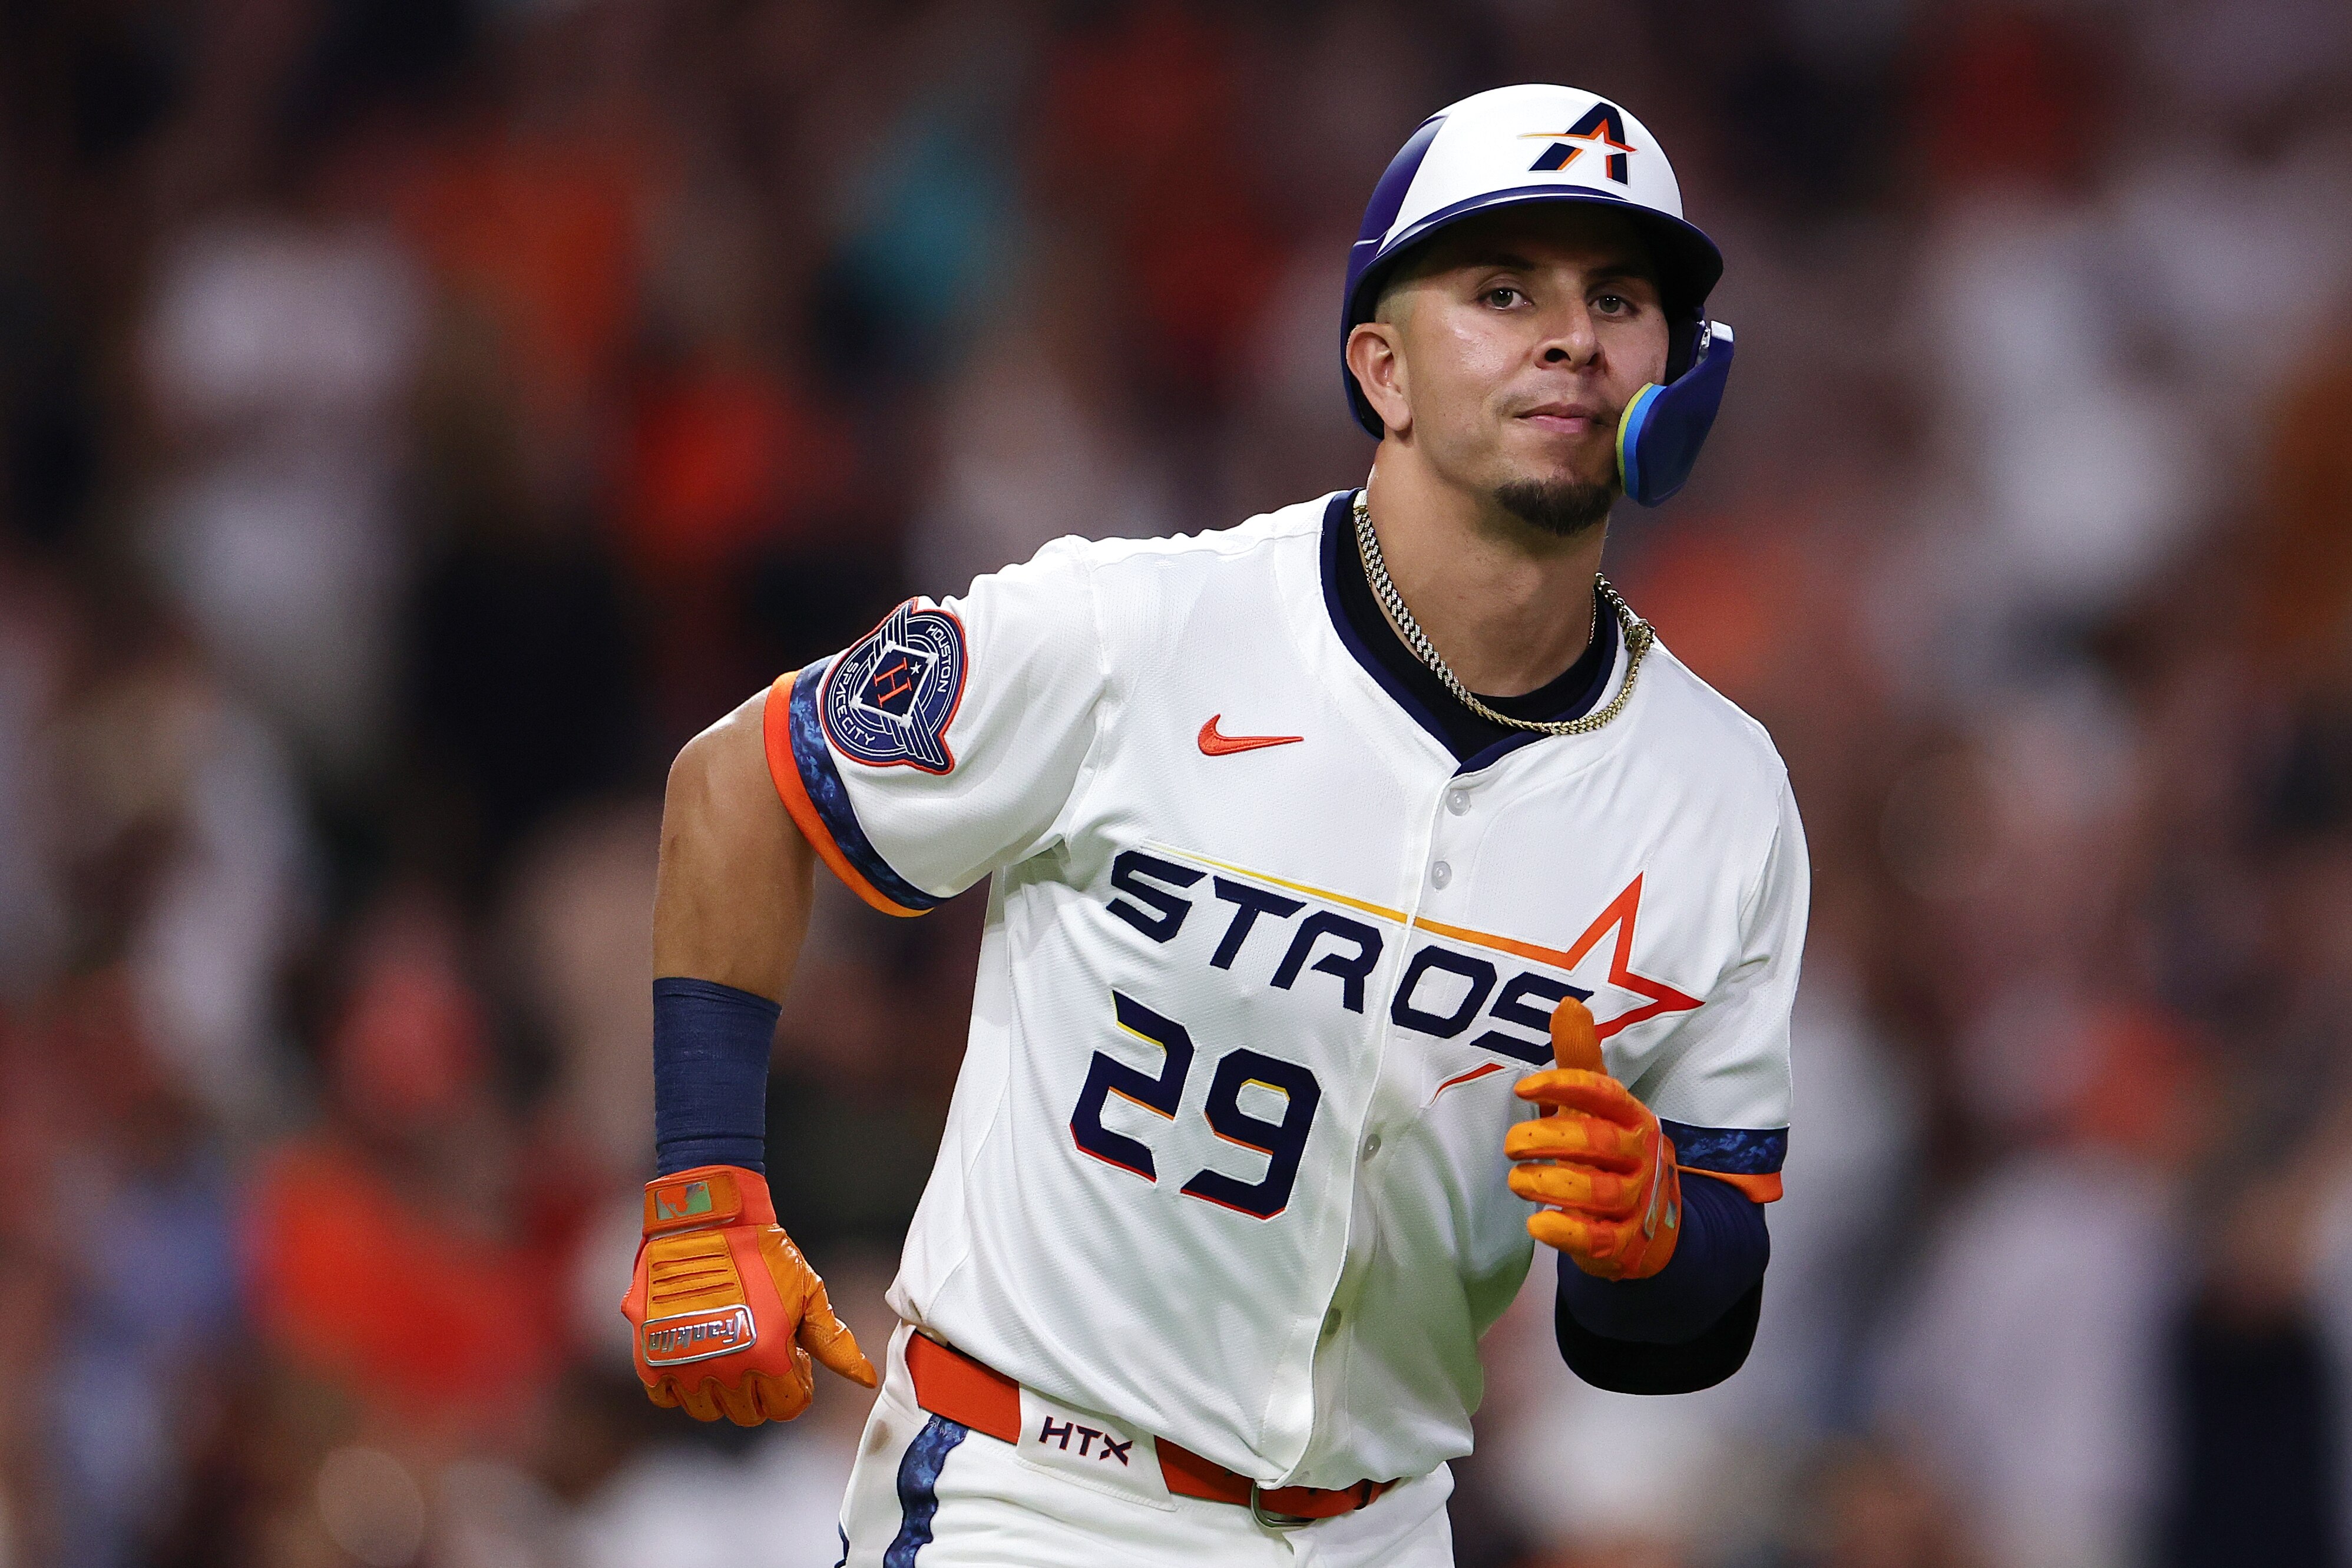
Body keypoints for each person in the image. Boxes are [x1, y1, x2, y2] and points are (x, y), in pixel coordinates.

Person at [622, 84, 1805, 1566]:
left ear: (1674, 368)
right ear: (1379, 365)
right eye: (1501, 290)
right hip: (1037, 1491)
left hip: (1381, 1524)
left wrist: (1658, 1241)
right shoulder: (1135, 628)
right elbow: (742, 779)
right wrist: (703, 1188)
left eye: (1617, 297)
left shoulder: (1723, 795)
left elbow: (1672, 1335)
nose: (1570, 335)